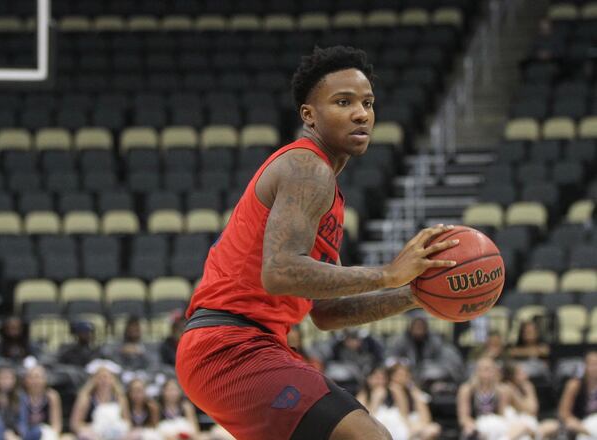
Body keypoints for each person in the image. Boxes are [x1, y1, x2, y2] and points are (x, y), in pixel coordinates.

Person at [176, 45, 461, 440]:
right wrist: (387, 274)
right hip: (229, 347)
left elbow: (326, 313)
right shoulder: (306, 167)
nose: (361, 113)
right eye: (343, 102)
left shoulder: (324, 186)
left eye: (367, 102)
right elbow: (279, 272)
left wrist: (417, 294)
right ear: (309, 115)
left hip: (245, 346)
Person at [457, 357, 531, 440]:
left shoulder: (501, 390)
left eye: (489, 369)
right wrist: (475, 427)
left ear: (495, 371)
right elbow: (463, 418)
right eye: (482, 369)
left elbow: (502, 414)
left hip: (495, 423)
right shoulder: (467, 390)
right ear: (476, 371)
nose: (485, 373)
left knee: (523, 430)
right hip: (476, 424)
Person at [386, 316, 464, 381]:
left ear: (426, 327)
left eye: (421, 325)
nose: (418, 328)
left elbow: (447, 362)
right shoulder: (400, 340)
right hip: (406, 375)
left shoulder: (435, 341)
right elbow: (389, 360)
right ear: (410, 327)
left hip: (429, 376)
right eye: (416, 325)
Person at [0, 365, 39, 440]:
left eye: (9, 378)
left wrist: (20, 433)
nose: (6, 382)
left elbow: (23, 420)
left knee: (37, 431)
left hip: (15, 433)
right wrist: (4, 433)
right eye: (2, 378)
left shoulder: (20, 396)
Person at [69, 359, 130, 439]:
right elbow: (75, 424)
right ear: (94, 380)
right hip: (92, 434)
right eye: (100, 377)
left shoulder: (120, 398)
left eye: (107, 377)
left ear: (112, 380)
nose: (104, 381)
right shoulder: (86, 398)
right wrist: (92, 428)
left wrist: (118, 428)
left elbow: (128, 422)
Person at [502, 362, 559, 439]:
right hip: (515, 424)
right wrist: (520, 392)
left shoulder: (527, 386)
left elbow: (534, 410)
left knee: (554, 425)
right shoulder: (506, 389)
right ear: (512, 376)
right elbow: (528, 410)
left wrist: (529, 390)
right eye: (521, 373)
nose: (526, 375)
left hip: (530, 423)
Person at [387, 362, 441, 440]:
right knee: (429, 432)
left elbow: (426, 418)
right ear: (392, 376)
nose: (405, 377)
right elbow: (403, 414)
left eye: (406, 374)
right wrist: (412, 429)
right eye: (400, 375)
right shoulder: (394, 388)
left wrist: (413, 389)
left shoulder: (411, 390)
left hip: (409, 420)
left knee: (433, 428)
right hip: (395, 423)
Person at [356, 367, 410, 440]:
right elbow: (364, 423)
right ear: (369, 379)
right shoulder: (363, 396)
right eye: (377, 378)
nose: (381, 382)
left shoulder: (395, 392)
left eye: (383, 378)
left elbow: (404, 415)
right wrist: (375, 401)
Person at [559, 351, 597, 439]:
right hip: (578, 423)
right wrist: (579, 426)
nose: (595, 368)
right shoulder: (575, 384)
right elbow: (563, 413)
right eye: (592, 364)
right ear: (585, 366)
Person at [23, 365, 63, 440]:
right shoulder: (21, 397)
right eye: (31, 378)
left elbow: (56, 425)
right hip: (26, 433)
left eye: (38, 377)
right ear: (26, 380)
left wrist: (53, 435)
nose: (35, 381)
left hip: (46, 433)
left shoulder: (52, 396)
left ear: (45, 380)